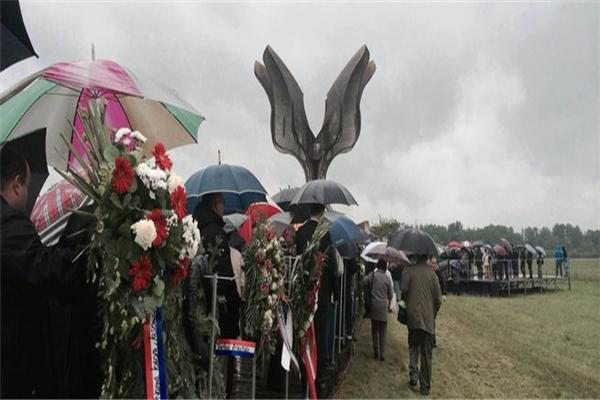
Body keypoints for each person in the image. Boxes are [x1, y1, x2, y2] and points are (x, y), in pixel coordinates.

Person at [0, 148, 87, 398]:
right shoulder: (8, 222)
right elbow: (43, 270)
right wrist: (82, 253)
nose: (28, 195)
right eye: (27, 187)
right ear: (17, 183)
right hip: (13, 365)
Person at [192, 193, 241, 397]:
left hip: (197, 308)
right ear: (214, 205)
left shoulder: (196, 230)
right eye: (222, 202)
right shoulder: (217, 233)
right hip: (219, 311)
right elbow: (225, 276)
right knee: (220, 365)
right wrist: (236, 303)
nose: (223, 207)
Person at [294, 203, 338, 384]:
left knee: (303, 330)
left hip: (303, 290)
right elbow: (330, 264)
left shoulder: (300, 232)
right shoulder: (324, 234)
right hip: (322, 290)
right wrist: (335, 290)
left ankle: (304, 370)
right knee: (319, 333)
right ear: (321, 213)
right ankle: (317, 373)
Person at [401, 255, 442, 396]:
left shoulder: (409, 271)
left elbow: (403, 289)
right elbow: (438, 299)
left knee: (413, 347)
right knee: (426, 354)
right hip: (427, 320)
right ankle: (425, 387)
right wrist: (433, 313)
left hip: (413, 317)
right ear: (427, 259)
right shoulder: (433, 275)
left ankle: (413, 377)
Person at [363, 259, 393, 361]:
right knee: (383, 331)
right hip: (383, 308)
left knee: (374, 329)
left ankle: (375, 350)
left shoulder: (373, 275)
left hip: (374, 306)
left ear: (377, 266)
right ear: (385, 268)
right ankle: (382, 353)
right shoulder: (387, 279)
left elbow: (364, 281)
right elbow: (390, 295)